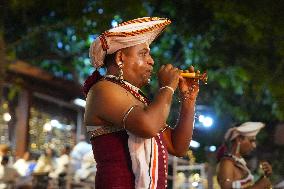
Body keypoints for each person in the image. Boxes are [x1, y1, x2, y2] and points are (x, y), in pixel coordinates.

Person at [83, 17, 205, 188]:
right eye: (143, 53)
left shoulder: (137, 98)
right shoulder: (103, 89)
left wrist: (188, 101)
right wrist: (167, 88)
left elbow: (178, 147)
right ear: (120, 58)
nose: (151, 61)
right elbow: (148, 126)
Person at [216, 122, 273, 189]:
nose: (254, 145)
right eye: (251, 141)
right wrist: (259, 186)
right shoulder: (227, 163)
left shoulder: (239, 162)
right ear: (239, 139)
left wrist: (265, 176)